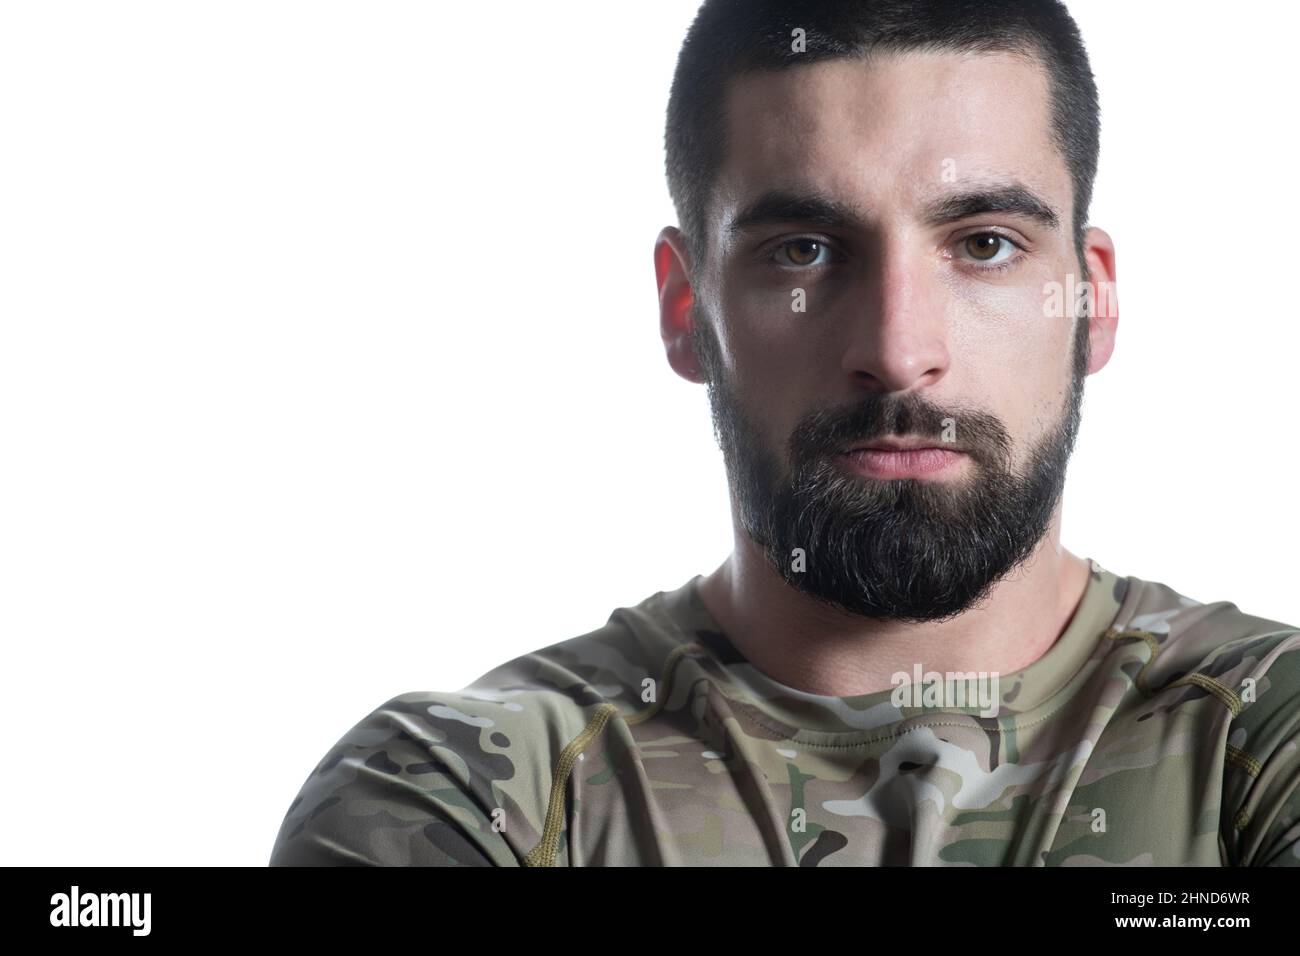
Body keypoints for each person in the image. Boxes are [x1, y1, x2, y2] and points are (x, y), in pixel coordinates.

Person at [269, 0, 1300, 866]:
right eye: (805, 250)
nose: (899, 351)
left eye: (983, 244)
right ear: (686, 308)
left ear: (1091, 301)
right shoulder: (469, 787)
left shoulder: (1262, 736)